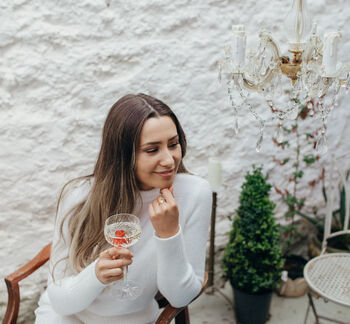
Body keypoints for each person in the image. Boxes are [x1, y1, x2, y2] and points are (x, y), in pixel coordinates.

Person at [34, 93, 212, 324]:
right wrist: (96, 275)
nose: (169, 160)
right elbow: (59, 300)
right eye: (152, 150)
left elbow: (180, 296)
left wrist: (169, 235)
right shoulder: (78, 196)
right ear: (122, 155)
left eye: (173, 144)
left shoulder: (194, 193)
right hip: (65, 316)